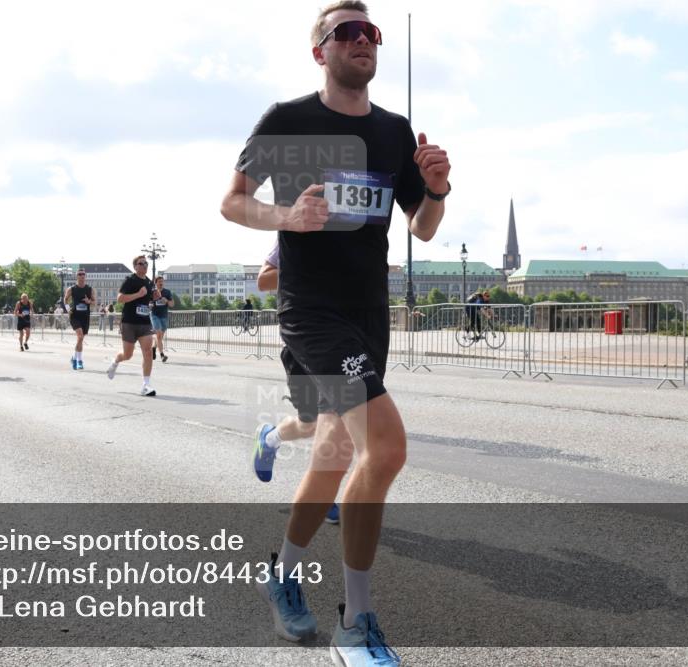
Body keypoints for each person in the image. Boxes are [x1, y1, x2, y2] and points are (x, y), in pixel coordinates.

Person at [219, 2, 450, 662]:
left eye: (369, 32)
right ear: (320, 51)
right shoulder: (287, 120)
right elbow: (231, 200)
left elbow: (423, 226)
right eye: (345, 32)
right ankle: (356, 620)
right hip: (311, 313)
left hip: (368, 313)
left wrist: (436, 189)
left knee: (333, 455)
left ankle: (281, 577)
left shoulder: (394, 130)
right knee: (388, 444)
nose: (361, 41)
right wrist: (285, 215)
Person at [255, 242, 341, 524]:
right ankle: (270, 438)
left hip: (342, 343)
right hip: (303, 343)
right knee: (311, 424)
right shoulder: (295, 233)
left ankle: (321, 494)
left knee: (339, 424)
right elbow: (264, 280)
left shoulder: (357, 236)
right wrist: (309, 267)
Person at [106, 255, 157, 396]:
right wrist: (138, 294)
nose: (145, 266)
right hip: (129, 322)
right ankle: (115, 361)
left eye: (146, 263)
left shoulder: (149, 282)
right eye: (142, 263)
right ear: (135, 266)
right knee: (128, 355)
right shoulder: (130, 280)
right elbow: (120, 298)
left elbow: (151, 298)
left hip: (145, 322)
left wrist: (155, 297)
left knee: (148, 352)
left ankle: (146, 385)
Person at [64, 269, 96, 370]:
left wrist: (89, 301)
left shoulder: (90, 289)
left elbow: (94, 302)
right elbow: (65, 299)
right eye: (79, 274)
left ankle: (74, 358)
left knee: (80, 339)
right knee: (80, 336)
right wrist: (68, 309)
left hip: (85, 316)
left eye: (83, 274)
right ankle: (80, 361)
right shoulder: (72, 289)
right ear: (76, 276)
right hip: (75, 316)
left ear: (85, 276)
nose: (82, 276)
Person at [149, 276, 173, 362]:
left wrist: (166, 301)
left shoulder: (167, 292)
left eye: (162, 281)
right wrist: (150, 304)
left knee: (160, 337)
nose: (161, 283)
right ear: (156, 283)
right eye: (159, 281)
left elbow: (172, 304)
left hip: (164, 316)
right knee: (158, 335)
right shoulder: (152, 292)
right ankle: (162, 355)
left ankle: (153, 348)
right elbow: (148, 303)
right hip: (154, 315)